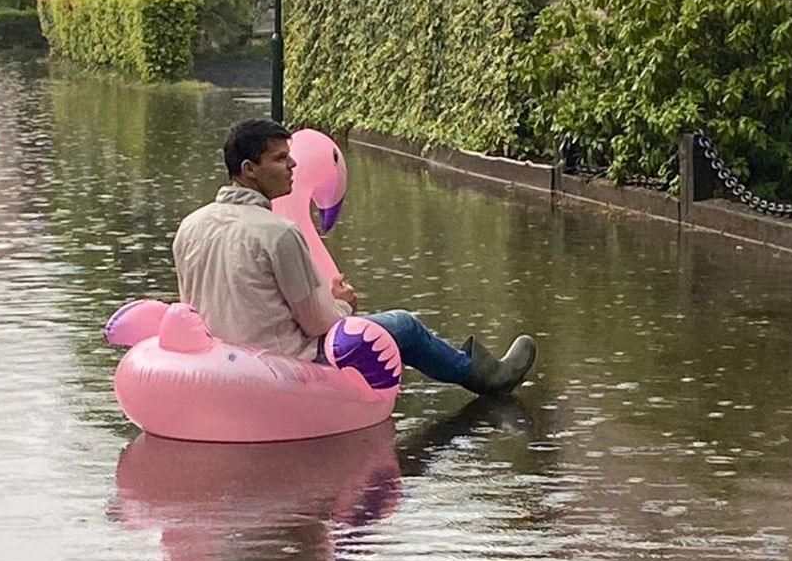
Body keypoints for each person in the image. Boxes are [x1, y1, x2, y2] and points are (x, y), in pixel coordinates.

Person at [172, 119, 536, 396]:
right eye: (280, 159)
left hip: (220, 365)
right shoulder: (278, 233)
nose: (293, 166)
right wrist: (343, 305)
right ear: (249, 169)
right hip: (281, 364)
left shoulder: (190, 226)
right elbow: (319, 325)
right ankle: (488, 377)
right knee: (405, 325)